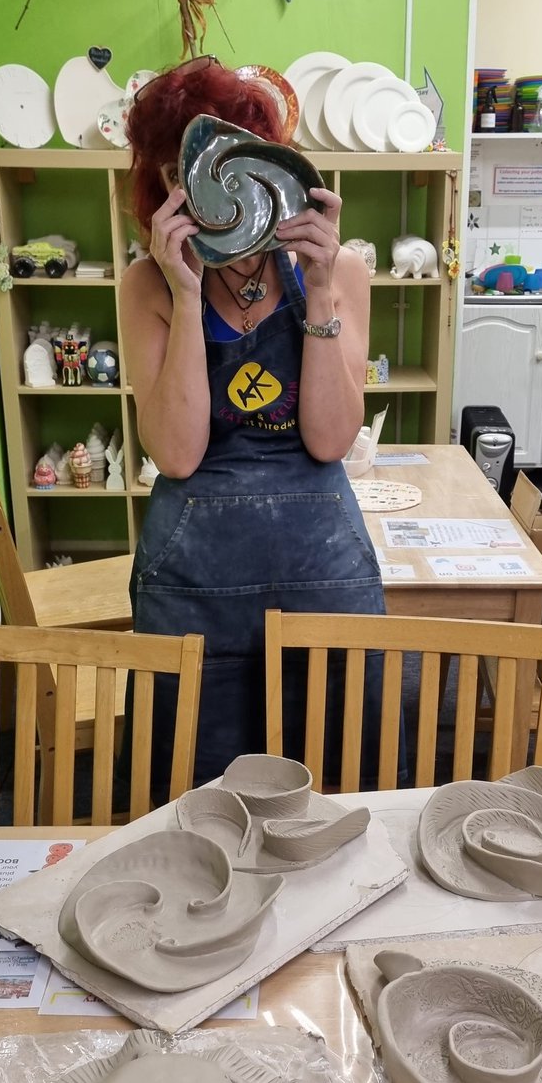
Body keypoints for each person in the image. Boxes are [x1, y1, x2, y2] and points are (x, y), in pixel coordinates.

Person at [120, 57, 386, 785]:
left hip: (320, 571)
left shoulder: (339, 271)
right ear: (165, 182)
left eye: (227, 159)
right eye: (183, 170)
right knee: (198, 798)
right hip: (193, 580)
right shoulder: (147, 282)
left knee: (330, 791)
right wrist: (183, 295)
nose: (207, 187)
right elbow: (177, 455)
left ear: (266, 161)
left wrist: (323, 289)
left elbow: (330, 440)